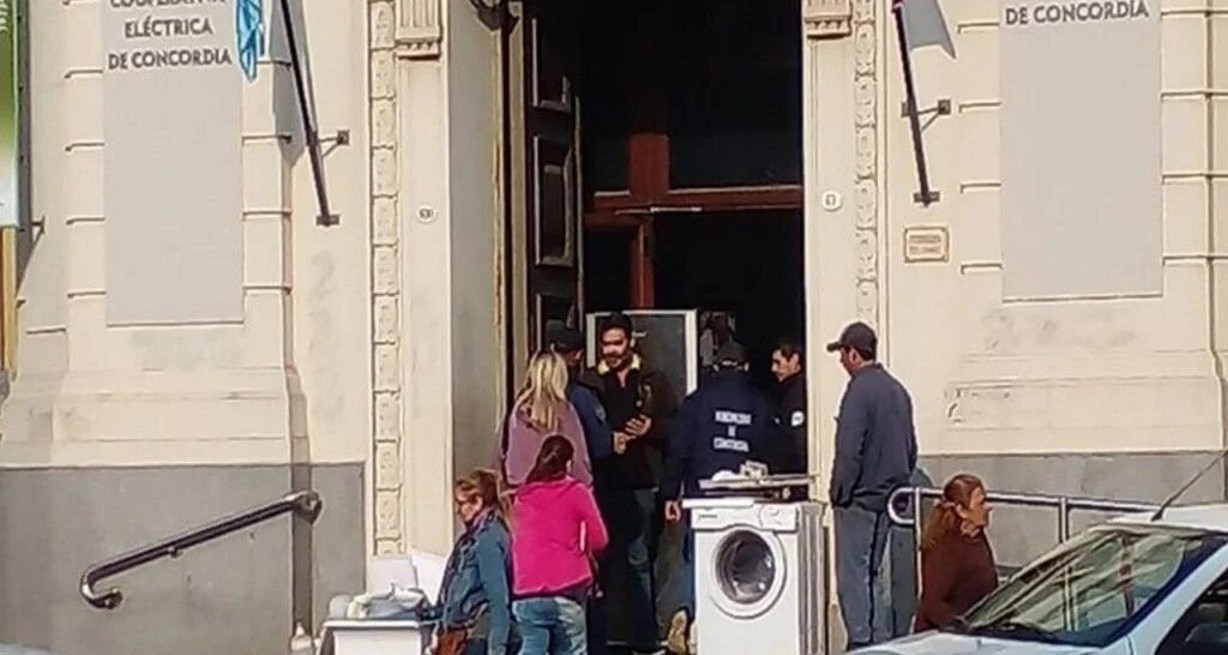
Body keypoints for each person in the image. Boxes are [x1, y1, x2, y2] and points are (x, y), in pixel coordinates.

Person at [660, 341, 787, 655]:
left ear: (716, 366)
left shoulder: (696, 402)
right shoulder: (759, 403)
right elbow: (774, 451)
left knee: (697, 558)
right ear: (745, 367)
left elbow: (679, 451)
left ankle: (685, 612)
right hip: (747, 501)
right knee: (738, 562)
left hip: (702, 497)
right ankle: (732, 627)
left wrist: (670, 493)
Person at [587, 313, 678, 654]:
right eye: (606, 344)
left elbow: (676, 426)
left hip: (642, 481)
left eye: (617, 343)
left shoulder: (653, 380)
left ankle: (644, 636)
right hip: (604, 482)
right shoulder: (590, 383)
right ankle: (605, 635)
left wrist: (651, 429)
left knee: (640, 558)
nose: (611, 350)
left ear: (631, 342)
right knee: (603, 559)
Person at [825, 321, 917, 650]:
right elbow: (911, 449)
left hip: (860, 499)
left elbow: (849, 449)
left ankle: (860, 643)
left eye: (842, 353)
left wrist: (839, 493)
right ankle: (879, 642)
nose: (841, 361)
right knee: (875, 574)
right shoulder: (898, 391)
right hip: (891, 499)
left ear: (853, 353)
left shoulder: (858, 391)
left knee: (853, 575)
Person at [546, 326, 616, 655]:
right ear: (577, 356)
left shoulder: (523, 406)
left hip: (532, 508)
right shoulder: (580, 399)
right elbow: (600, 447)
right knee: (584, 579)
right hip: (573, 501)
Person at [512, 436, 610, 655]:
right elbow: (600, 539)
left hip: (527, 590)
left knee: (531, 648)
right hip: (566, 586)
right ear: (568, 464)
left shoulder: (522, 497)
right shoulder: (576, 492)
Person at [437, 469, 513, 655]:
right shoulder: (469, 540)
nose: (457, 511)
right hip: (463, 635)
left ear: (477, 502)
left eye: (461, 503)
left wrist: (497, 647)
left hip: (478, 635)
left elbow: (498, 596)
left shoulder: (488, 539)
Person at [914, 474, 997, 632]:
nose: (988, 507)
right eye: (981, 503)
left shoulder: (976, 536)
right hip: (945, 636)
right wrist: (962, 628)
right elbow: (933, 603)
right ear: (961, 510)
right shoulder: (945, 547)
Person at [499, 351, 593, 488]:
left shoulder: (516, 413)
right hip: (557, 491)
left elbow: (499, 455)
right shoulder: (565, 412)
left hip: (520, 491)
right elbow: (579, 460)